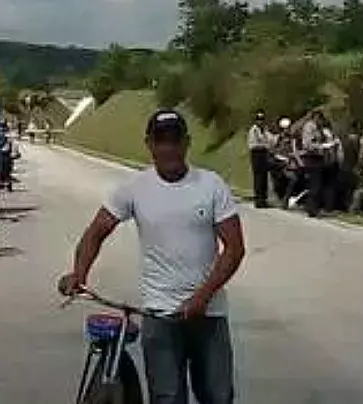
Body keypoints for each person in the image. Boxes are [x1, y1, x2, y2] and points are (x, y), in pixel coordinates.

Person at [58, 110, 245, 404]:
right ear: (149, 144)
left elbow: (234, 248)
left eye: (175, 140)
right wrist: (79, 273)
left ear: (187, 142)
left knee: (218, 397)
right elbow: (95, 232)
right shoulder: (134, 189)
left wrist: (202, 297)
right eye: (161, 141)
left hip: (209, 316)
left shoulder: (211, 186)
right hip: (158, 317)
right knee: (167, 398)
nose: (168, 148)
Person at [296, 110, 327, 217]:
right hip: (312, 157)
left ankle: (313, 208)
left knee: (316, 184)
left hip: (317, 157)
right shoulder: (310, 127)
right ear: (316, 118)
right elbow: (307, 144)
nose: (321, 122)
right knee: (315, 184)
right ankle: (312, 209)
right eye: (320, 119)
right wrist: (321, 147)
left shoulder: (318, 128)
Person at [245, 110, 274, 207]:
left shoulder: (265, 131)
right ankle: (258, 200)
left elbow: (271, 140)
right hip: (256, 154)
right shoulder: (253, 131)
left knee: (264, 177)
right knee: (258, 178)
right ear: (256, 121)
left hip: (264, 154)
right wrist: (264, 145)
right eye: (259, 120)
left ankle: (264, 199)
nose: (260, 122)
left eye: (262, 119)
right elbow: (252, 145)